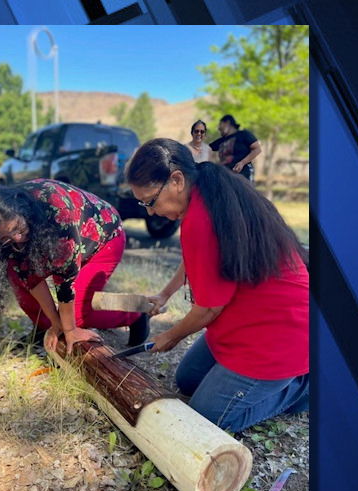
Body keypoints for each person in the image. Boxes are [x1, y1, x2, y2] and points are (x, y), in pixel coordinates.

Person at [125, 138, 308, 433]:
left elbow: (210, 308)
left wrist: (170, 335)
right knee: (186, 380)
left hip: (277, 334)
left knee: (204, 420)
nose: (149, 212)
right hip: (244, 320)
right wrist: (164, 293)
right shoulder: (206, 196)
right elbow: (198, 258)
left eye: (150, 201)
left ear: (177, 180)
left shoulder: (204, 215)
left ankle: (301, 389)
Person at [0, 179, 149, 352]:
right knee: (28, 295)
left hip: (104, 238)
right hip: (70, 245)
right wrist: (54, 323)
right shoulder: (1, 231)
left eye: (18, 228)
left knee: (76, 314)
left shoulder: (56, 210)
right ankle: (46, 328)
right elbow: (29, 277)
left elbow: (66, 279)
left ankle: (137, 313)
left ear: (20, 209)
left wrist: (69, 330)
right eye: (6, 238)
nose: (18, 238)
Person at [208, 114, 261, 182]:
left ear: (227, 123)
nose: (219, 128)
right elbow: (206, 148)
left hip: (243, 173)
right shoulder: (221, 141)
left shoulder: (243, 134)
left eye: (220, 124)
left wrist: (242, 163)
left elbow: (257, 149)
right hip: (225, 176)